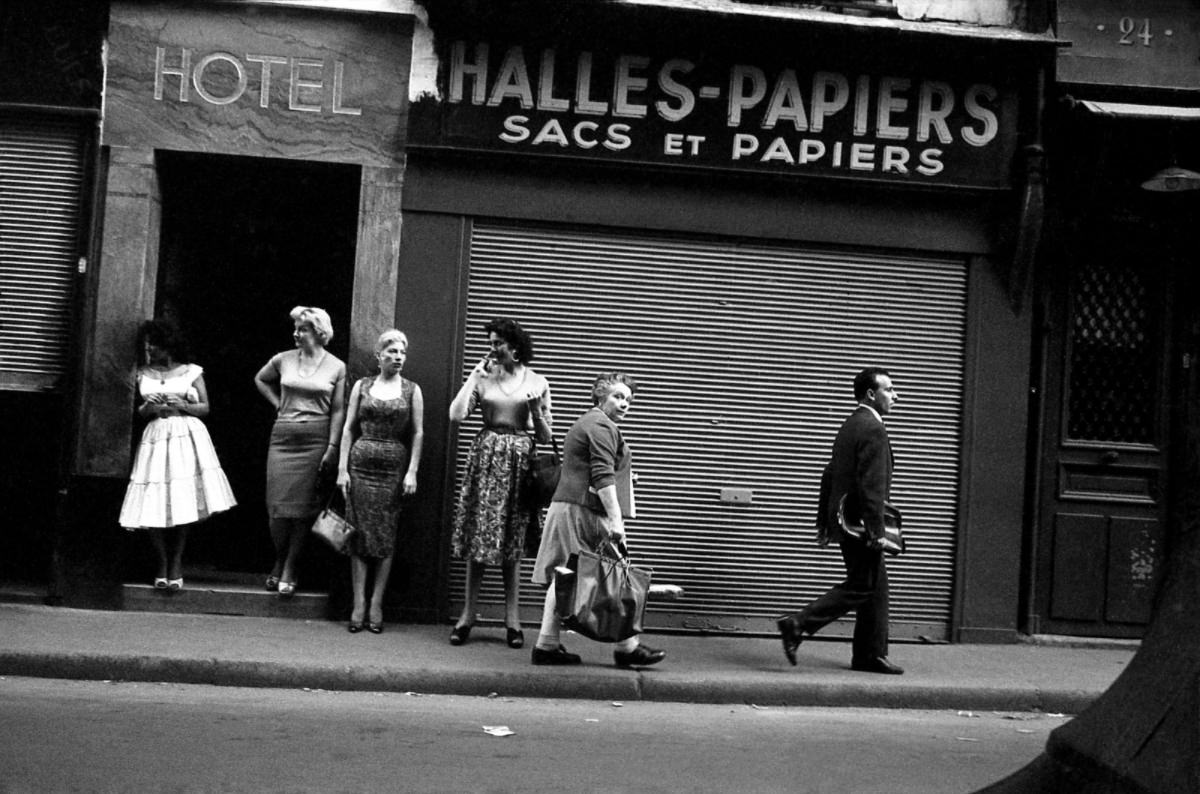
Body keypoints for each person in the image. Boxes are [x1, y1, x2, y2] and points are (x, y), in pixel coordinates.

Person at [529, 372, 666, 667]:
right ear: (600, 396)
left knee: (564, 574)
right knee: (613, 571)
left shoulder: (592, 423)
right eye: (618, 396)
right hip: (583, 509)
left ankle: (547, 646)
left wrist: (626, 479)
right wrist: (617, 522)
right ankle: (627, 647)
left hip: (572, 506)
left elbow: (596, 469)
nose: (625, 403)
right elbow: (602, 477)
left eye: (629, 399)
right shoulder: (601, 426)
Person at [777, 366, 904, 674]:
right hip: (862, 525)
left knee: (876, 586)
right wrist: (877, 532)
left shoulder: (849, 425)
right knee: (863, 585)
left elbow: (829, 475)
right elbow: (871, 488)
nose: (896, 396)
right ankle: (799, 623)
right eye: (889, 390)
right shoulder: (873, 428)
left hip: (846, 520)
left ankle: (870, 654)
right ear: (871, 394)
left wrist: (823, 521)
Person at [448, 318, 553, 649]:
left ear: (514, 347)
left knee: (513, 541)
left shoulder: (537, 381)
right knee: (479, 537)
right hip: (486, 457)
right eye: (490, 342)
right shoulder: (484, 375)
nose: (491, 348)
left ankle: (513, 619)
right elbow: (456, 415)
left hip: (520, 462)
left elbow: (547, 437)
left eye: (497, 343)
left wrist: (536, 410)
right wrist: (472, 379)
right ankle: (468, 615)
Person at [119, 319, 237, 589]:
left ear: (167, 345)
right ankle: (160, 563)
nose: (149, 349)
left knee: (182, 498)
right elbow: (138, 412)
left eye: (154, 344)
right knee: (154, 497)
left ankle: (176, 562)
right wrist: (149, 407)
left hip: (185, 434)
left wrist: (182, 404)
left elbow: (206, 407)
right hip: (157, 434)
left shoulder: (191, 371)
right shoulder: (143, 372)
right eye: (147, 345)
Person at [336, 330, 424, 635]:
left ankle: (377, 602)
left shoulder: (412, 390)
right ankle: (358, 603)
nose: (398, 357)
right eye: (392, 352)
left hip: (392, 468)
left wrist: (412, 471)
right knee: (357, 533)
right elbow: (348, 429)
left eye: (402, 352)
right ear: (379, 355)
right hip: (361, 463)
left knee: (386, 535)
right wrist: (342, 468)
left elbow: (417, 433)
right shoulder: (362, 386)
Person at [254, 306, 347, 597]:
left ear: (319, 332)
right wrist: (277, 403)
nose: (296, 333)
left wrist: (332, 447)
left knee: (305, 510)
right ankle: (280, 557)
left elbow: (338, 410)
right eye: (295, 328)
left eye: (302, 328)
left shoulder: (337, 367)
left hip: (316, 439)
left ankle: (291, 566)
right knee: (278, 509)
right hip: (283, 438)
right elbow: (260, 379)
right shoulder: (282, 359)